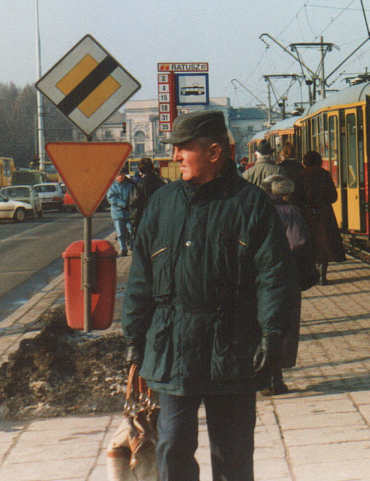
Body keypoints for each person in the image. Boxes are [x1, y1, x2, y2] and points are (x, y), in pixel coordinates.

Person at [122, 110, 293, 480]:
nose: (175, 157)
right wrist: (134, 337)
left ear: (214, 152)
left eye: (184, 148)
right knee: (172, 447)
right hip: (173, 347)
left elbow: (274, 277)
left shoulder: (251, 205)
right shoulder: (162, 204)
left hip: (232, 345)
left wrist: (271, 333)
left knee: (232, 455)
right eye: (174, 149)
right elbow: (141, 277)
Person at [259, 174, 307, 397]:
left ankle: (264, 374)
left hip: (259, 273)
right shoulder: (291, 212)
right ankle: (276, 377)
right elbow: (298, 241)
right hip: (285, 273)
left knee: (263, 322)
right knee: (284, 323)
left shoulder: (256, 209)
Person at [299, 150, 346, 285]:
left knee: (310, 244)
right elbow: (333, 197)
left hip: (307, 215)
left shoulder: (301, 176)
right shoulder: (324, 175)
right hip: (324, 215)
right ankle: (322, 276)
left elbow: (297, 197)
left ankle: (312, 274)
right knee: (324, 245)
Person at [128, 157, 167, 232]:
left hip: (145, 223)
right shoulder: (162, 182)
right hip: (161, 222)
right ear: (152, 167)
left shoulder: (139, 186)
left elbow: (134, 208)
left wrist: (134, 227)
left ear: (139, 170)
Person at [107, 171, 135, 256]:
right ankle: (123, 249)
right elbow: (111, 198)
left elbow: (134, 196)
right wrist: (123, 204)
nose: (120, 177)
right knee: (120, 232)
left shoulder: (130, 186)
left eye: (122, 175)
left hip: (129, 213)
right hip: (118, 213)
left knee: (131, 230)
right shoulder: (113, 187)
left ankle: (132, 246)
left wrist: (131, 204)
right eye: (118, 175)